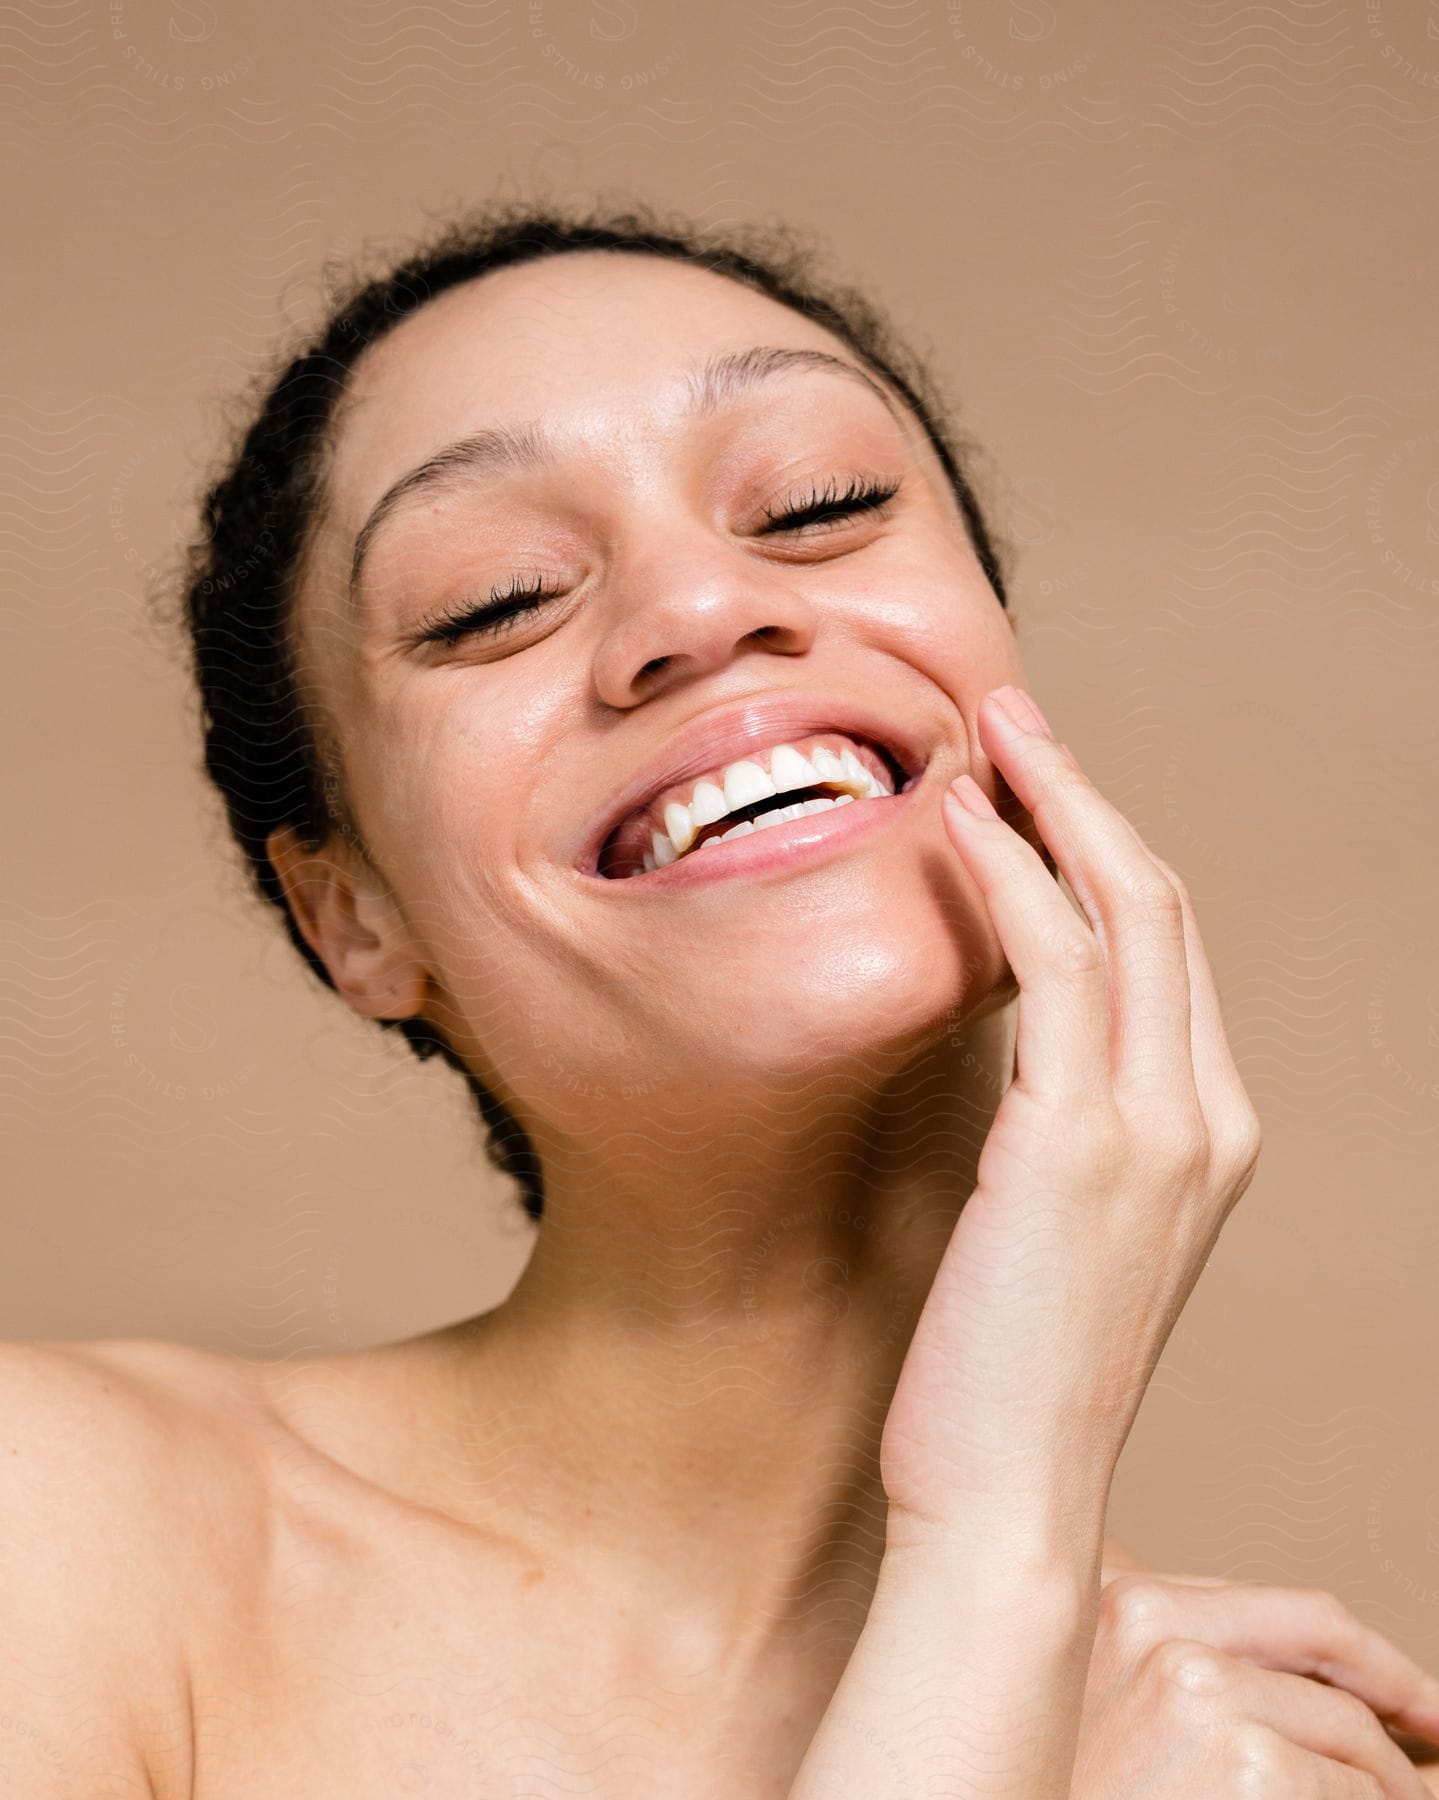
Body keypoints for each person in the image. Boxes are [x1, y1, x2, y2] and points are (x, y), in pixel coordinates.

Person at [4, 203, 1437, 1798]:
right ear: (354, 911)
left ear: (998, 658)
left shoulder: (1258, 1764)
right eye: (496, 600)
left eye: (819, 505)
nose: (700, 613)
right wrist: (994, 1566)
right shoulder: (56, 1528)